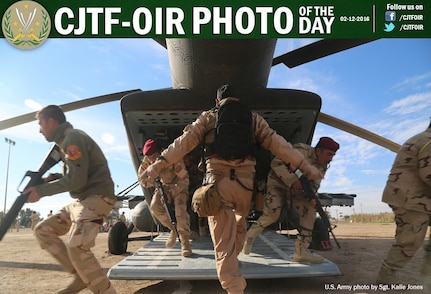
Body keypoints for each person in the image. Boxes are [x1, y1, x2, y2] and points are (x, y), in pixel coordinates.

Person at [140, 85, 322, 294]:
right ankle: (234, 260)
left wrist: (157, 165)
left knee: (223, 248)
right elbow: (280, 145)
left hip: (218, 186)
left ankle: (234, 288)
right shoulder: (253, 119)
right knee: (239, 223)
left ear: (218, 102)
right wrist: (306, 166)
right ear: (237, 99)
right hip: (245, 188)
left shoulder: (209, 117)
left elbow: (182, 144)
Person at [24, 105, 117, 294]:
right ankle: (80, 276)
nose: (39, 130)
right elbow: (77, 174)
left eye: (41, 124)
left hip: (97, 197)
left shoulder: (72, 139)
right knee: (43, 230)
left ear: (52, 122)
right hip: (82, 200)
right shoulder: (65, 142)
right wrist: (53, 178)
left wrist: (41, 191)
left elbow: (76, 180)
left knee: (77, 245)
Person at [243, 137, 340, 263]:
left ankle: (301, 251)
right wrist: (292, 180)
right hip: (277, 185)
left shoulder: (322, 166)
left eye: (333, 155)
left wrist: (312, 197)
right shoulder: (300, 151)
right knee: (272, 214)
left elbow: (314, 185)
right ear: (319, 150)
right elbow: (276, 163)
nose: (331, 158)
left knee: (310, 210)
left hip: (297, 191)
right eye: (329, 154)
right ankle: (249, 237)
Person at [376, 119, 431, 288]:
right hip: (413, 200)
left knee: (408, 239)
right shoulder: (428, 141)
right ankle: (385, 280)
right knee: (409, 241)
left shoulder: (420, 138)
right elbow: (428, 174)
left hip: (408, 198)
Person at [138, 138, 193, 257]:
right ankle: (173, 229)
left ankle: (185, 243)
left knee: (180, 211)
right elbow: (142, 179)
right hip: (162, 186)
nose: (151, 160)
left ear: (161, 152)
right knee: (154, 206)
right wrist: (154, 183)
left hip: (179, 187)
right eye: (149, 158)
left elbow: (185, 180)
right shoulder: (147, 161)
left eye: (154, 157)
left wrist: (172, 192)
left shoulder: (172, 157)